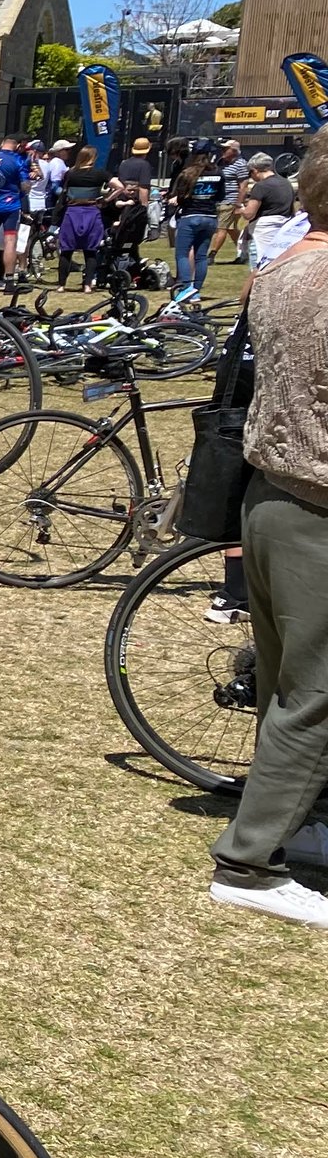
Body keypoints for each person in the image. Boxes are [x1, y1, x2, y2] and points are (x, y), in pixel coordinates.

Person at [206, 153, 328, 926]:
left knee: (290, 685)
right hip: (315, 500)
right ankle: (251, 861)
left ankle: (276, 831)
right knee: (313, 696)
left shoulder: (281, 269)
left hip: (271, 494)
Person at [168, 146, 228, 291]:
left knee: (182, 254)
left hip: (190, 216)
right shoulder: (218, 172)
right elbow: (221, 196)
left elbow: (181, 197)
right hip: (210, 217)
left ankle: (187, 289)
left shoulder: (187, 173)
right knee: (201, 256)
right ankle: (196, 290)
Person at [0, 135, 31, 298]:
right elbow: (25, 186)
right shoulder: (18, 160)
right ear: (16, 146)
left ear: (2, 144)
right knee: (10, 241)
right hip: (10, 205)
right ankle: (9, 280)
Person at [53, 145, 108, 288]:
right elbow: (119, 186)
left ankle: (61, 285)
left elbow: (63, 193)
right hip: (91, 211)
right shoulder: (99, 174)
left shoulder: (70, 174)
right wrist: (105, 199)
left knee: (67, 250)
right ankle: (88, 285)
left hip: (72, 212)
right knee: (90, 250)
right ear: (93, 158)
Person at [241, 153, 298, 265]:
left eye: (250, 173)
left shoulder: (261, 186)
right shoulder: (286, 183)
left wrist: (241, 209)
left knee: (259, 264)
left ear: (255, 170)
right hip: (283, 228)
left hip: (263, 231)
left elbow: (249, 214)